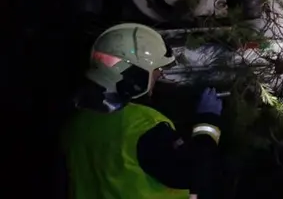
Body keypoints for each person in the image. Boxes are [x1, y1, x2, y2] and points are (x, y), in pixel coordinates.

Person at [60, 23, 223, 199]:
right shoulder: (143, 126)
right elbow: (195, 173)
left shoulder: (75, 126)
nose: (160, 75)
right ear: (135, 75)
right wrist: (207, 122)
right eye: (156, 71)